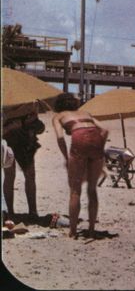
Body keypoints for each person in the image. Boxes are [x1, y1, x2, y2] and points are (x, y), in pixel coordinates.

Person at [51, 93, 109, 239]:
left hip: (79, 138)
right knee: (92, 188)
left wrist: (67, 157)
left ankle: (73, 231)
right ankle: (91, 229)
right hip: (96, 139)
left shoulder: (58, 116)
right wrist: (99, 151)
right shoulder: (86, 113)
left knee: (75, 190)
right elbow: (105, 130)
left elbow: (59, 137)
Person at [2, 112, 46, 219]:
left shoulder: (29, 107)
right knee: (10, 176)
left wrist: (30, 122)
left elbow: (40, 128)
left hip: (26, 144)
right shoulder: (5, 105)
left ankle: (33, 211)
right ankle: (10, 212)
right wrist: (10, 126)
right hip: (7, 143)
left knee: (30, 176)